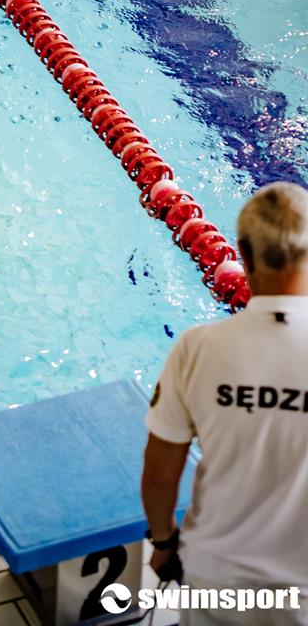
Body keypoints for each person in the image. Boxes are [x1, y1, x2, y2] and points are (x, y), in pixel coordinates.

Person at [141, 181, 308, 623]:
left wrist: (163, 543)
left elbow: (158, 476)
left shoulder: (197, 347)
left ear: (243, 256)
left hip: (216, 579)